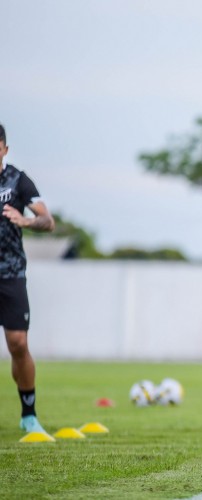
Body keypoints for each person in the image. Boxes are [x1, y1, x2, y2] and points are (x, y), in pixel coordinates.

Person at [0, 123, 56, 435]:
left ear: (5, 150)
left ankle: (28, 414)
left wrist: (26, 220)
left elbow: (48, 220)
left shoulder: (17, 179)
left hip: (10, 273)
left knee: (18, 343)